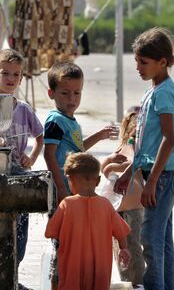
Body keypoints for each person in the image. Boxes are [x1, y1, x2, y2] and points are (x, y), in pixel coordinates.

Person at [115, 27, 174, 290]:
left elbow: (169, 140)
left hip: (163, 176)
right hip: (156, 173)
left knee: (151, 241)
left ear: (162, 62)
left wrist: (152, 181)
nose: (138, 68)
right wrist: (128, 173)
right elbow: (147, 145)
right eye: (136, 62)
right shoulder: (153, 90)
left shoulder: (165, 92)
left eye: (143, 63)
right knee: (163, 241)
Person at [42, 61, 118, 289]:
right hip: (63, 193)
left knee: (75, 243)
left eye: (77, 93)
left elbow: (78, 150)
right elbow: (49, 155)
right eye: (65, 93)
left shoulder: (70, 122)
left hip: (74, 192)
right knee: (62, 246)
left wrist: (100, 135)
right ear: (51, 93)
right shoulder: (55, 120)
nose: (72, 99)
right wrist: (62, 187)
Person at [0, 48, 44, 271]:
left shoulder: (23, 109)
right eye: (5, 73)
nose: (11, 79)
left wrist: (31, 158)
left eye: (16, 74)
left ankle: (14, 270)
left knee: (21, 223)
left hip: (17, 172)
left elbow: (40, 138)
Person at [45, 152, 131, 290]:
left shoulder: (67, 204)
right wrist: (124, 248)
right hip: (100, 270)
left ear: (69, 179)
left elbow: (50, 232)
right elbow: (121, 232)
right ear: (97, 181)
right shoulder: (106, 205)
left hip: (72, 269)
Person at [100, 110, 145, 287]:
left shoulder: (140, 149)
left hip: (134, 206)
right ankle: (127, 282)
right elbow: (104, 170)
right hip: (116, 206)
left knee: (133, 246)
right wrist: (110, 161)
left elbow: (138, 166)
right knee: (120, 249)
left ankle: (137, 283)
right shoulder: (121, 147)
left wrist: (116, 166)